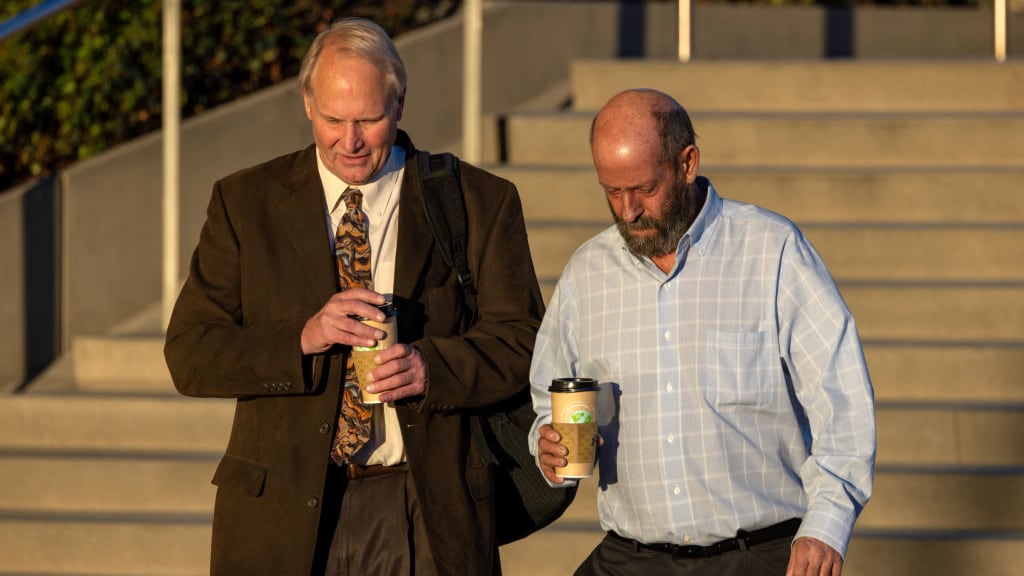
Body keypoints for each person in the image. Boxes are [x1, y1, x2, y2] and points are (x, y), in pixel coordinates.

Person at [164, 18, 544, 576]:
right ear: (307, 107)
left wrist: (429, 367)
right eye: (334, 120)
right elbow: (190, 355)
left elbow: (523, 340)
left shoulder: (479, 200)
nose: (351, 140)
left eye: (368, 119)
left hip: (427, 508)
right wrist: (301, 337)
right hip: (280, 516)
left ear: (400, 104)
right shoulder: (245, 203)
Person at [529, 89, 875, 576]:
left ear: (687, 163)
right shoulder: (586, 273)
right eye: (611, 191)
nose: (627, 211)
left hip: (759, 556)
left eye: (644, 189)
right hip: (630, 556)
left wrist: (825, 526)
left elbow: (843, 402)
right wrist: (545, 442)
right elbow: (549, 394)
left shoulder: (772, 252)